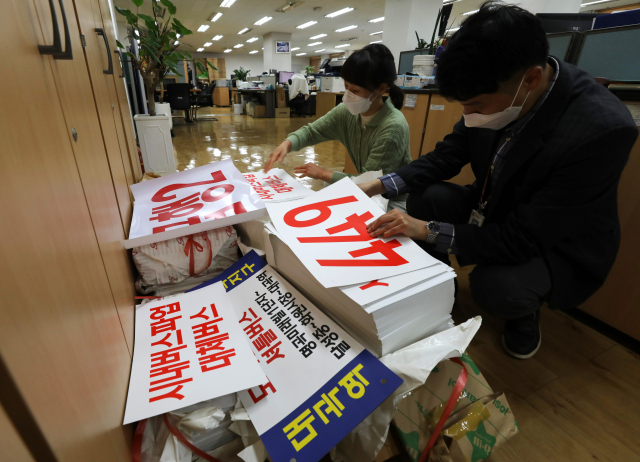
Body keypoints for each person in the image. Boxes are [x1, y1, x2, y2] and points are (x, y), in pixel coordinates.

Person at [360, 2, 638, 359]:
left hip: (556, 240)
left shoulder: (601, 128)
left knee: (496, 286)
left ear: (531, 80)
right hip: (495, 203)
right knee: (427, 196)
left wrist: (425, 230)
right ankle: (436, 283)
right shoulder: (496, 88)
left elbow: (526, 236)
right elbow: (447, 156)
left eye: (475, 106)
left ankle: (523, 315)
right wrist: (378, 184)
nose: (468, 116)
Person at [264, 44, 412, 211]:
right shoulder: (347, 112)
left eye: (355, 90)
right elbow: (314, 131)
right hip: (364, 192)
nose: (348, 94)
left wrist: (323, 174)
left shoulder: (392, 127)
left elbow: (368, 184)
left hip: (391, 202)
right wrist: (287, 144)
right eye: (346, 86)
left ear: (381, 88)